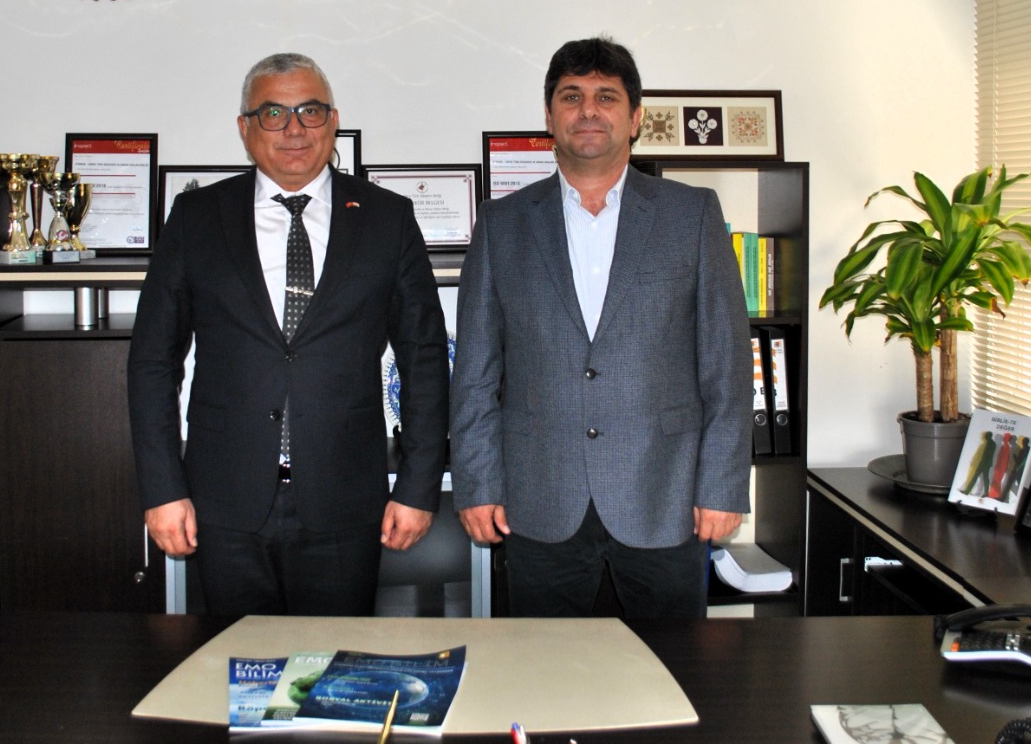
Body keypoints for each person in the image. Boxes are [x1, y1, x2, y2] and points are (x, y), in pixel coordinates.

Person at [128, 52, 449, 616]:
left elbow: (423, 358)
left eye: (310, 111)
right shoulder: (196, 217)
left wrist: (419, 486)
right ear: (245, 128)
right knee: (237, 663)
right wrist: (162, 487)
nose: (295, 129)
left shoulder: (387, 218)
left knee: (334, 663)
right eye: (273, 113)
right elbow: (153, 359)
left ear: (333, 121)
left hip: (345, 501)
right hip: (223, 501)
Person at [449, 35, 753, 618]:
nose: (588, 110)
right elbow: (475, 374)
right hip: (539, 502)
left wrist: (722, 486)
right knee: (548, 669)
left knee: (670, 667)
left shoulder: (692, 214)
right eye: (571, 96)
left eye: (606, 97)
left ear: (635, 118)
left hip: (665, 500)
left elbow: (727, 367)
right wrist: (477, 484)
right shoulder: (501, 225)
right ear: (549, 117)